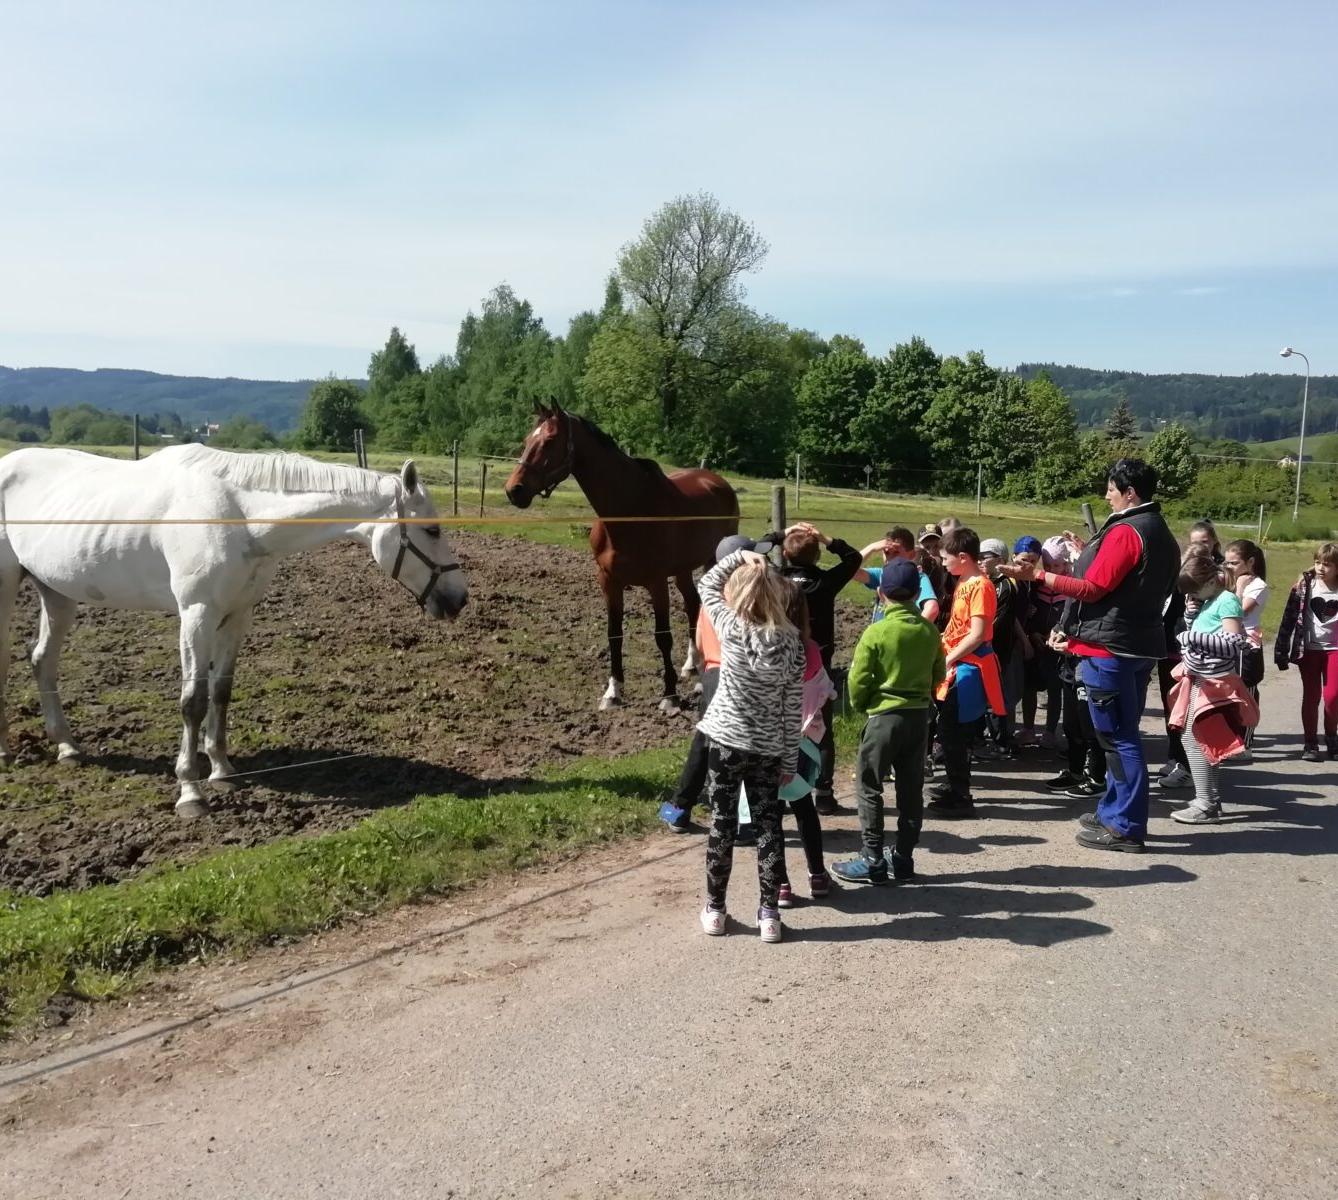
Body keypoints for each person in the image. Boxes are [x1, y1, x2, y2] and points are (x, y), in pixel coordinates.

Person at [1000, 459, 1179, 853]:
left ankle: (1125, 826)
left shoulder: (1128, 531)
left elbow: (1093, 588)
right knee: (1120, 734)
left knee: (1118, 738)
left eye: (1111, 489)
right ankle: (1113, 810)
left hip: (1109, 648)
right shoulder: (1161, 531)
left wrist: (1039, 577)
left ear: (1130, 492)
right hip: (1137, 644)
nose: (1106, 495)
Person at [695, 548, 806, 942]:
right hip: (770, 748)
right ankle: (770, 914)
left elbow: (706, 583)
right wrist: (790, 758)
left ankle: (715, 909)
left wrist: (740, 555)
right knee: (768, 827)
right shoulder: (793, 644)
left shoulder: (731, 628)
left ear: (738, 596)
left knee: (722, 825)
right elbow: (793, 708)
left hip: (726, 743)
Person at [832, 560, 945, 884]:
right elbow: (939, 673)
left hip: (883, 717)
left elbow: (858, 678)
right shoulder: (928, 631)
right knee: (911, 790)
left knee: (869, 786)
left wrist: (864, 704)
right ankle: (904, 857)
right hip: (917, 718)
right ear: (915, 594)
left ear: (881, 593)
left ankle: (872, 858)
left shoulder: (877, 631)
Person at [659, 533, 774, 832]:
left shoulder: (711, 598)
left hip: (712, 674)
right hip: (739, 675)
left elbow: (697, 641)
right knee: (743, 744)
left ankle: (680, 809)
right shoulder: (747, 599)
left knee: (705, 742)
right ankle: (743, 821)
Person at [759, 521, 863, 814]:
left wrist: (781, 534)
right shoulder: (825, 582)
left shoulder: (774, 580)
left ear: (786, 556)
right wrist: (825, 537)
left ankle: (779, 792)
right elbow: (853, 558)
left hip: (780, 665)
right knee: (822, 730)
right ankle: (825, 794)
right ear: (816, 557)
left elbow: (753, 549)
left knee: (778, 728)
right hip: (818, 667)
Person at [1166, 546, 1255, 823]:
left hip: (1213, 683)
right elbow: (1205, 630)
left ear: (1210, 582)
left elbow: (1234, 643)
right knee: (1203, 738)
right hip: (1200, 679)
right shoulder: (1208, 600)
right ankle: (1209, 801)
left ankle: (1206, 802)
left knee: (1196, 738)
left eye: (1194, 591)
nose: (1190, 597)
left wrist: (1189, 638)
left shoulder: (1227, 600)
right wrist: (1192, 618)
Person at [927, 527, 1006, 818]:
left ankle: (960, 795)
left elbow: (978, 634)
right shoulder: (963, 581)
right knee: (948, 729)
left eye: (946, 557)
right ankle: (952, 783)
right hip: (958, 663)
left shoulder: (981, 586)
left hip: (969, 668)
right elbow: (956, 626)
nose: (943, 562)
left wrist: (949, 660)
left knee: (955, 731)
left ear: (963, 556)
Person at [774, 589, 836, 907]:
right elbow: (825, 690)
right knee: (805, 811)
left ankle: (780, 883)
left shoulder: (763, 651)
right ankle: (817, 875)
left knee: (771, 817)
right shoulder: (810, 649)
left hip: (769, 743)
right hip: (800, 745)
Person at [1274, 543, 1338, 761]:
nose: (1321, 567)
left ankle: (1331, 737)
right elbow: (1289, 618)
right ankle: (1310, 743)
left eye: (1327, 564)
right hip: (1308, 650)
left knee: (1332, 698)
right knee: (1311, 697)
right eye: (1318, 562)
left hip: (1335, 651)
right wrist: (1281, 650)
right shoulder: (1304, 586)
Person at [979, 538, 1024, 757]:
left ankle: (1003, 741)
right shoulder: (983, 582)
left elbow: (1000, 619)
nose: (979, 561)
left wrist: (978, 637)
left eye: (984, 557)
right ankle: (988, 737)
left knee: (997, 696)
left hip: (999, 650)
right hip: (983, 647)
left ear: (999, 560)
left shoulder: (1006, 585)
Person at [1226, 539, 1269, 754]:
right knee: (1228, 695)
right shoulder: (1229, 582)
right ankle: (1231, 740)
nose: (1229, 568)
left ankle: (1246, 742)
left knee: (1246, 694)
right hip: (1227, 644)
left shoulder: (1258, 586)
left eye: (1234, 563)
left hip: (1248, 647)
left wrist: (1240, 587)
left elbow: (1237, 612)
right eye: (1227, 563)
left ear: (1250, 562)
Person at [855, 527, 941, 624]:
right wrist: (871, 548)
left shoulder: (918, 576)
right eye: (886, 552)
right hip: (882, 635)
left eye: (896, 552)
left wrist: (912, 631)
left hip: (899, 636)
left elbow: (932, 608)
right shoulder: (882, 574)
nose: (890, 558)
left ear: (911, 554)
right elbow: (851, 572)